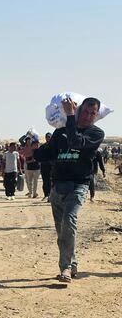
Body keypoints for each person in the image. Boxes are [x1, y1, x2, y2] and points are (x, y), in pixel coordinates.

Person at [34, 97, 105, 283]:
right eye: (86, 112)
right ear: (80, 110)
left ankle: (64, 268)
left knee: (69, 221)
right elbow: (48, 153)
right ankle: (72, 263)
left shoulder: (96, 133)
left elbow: (76, 142)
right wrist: (32, 151)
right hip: (58, 187)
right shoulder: (61, 132)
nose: (89, 116)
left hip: (79, 185)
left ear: (96, 115)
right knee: (62, 232)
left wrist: (71, 115)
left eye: (93, 113)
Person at [40, 132, 54, 201]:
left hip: (52, 166)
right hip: (44, 166)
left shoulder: (54, 146)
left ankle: (51, 195)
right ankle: (46, 195)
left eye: (49, 137)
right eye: (47, 137)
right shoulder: (43, 146)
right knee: (45, 181)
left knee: (51, 181)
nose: (48, 138)